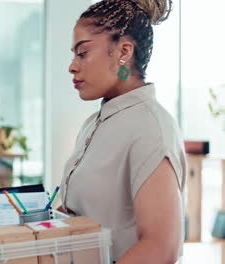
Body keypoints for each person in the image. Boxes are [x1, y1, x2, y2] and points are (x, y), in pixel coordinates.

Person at [59, 0, 185, 263]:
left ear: (123, 51)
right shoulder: (94, 124)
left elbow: (161, 248)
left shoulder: (151, 128)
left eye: (82, 53)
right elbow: (86, 214)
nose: (72, 66)